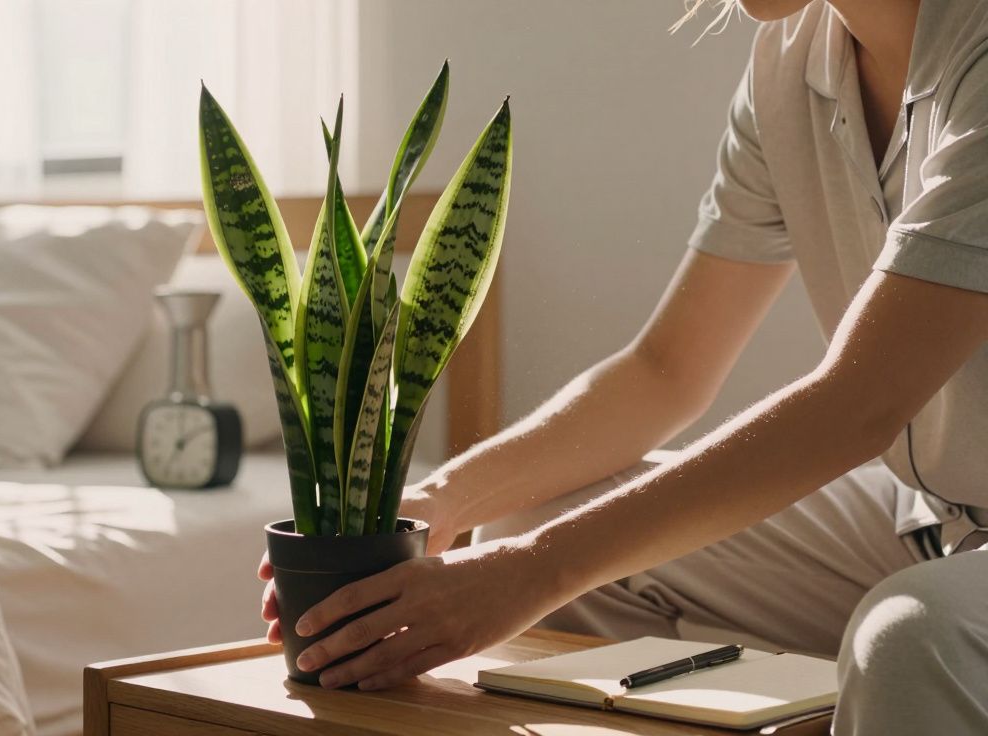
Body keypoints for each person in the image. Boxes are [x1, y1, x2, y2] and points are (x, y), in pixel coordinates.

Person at [258, 0, 988, 732]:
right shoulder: (790, 62)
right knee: (528, 513)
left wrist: (529, 572)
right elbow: (666, 369)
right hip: (927, 515)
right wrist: (441, 502)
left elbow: (858, 406)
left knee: (907, 640)